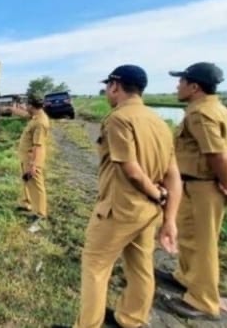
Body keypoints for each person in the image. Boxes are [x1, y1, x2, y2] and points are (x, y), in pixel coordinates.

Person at [55, 65, 182, 328]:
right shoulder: (159, 121)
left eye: (107, 87)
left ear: (116, 85)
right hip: (147, 214)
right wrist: (168, 217)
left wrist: (156, 194)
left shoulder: (118, 119)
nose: (106, 92)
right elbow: (173, 175)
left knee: (95, 266)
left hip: (119, 209)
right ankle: (131, 319)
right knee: (140, 266)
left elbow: (131, 169)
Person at [157, 62, 227, 320]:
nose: (177, 86)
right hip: (198, 184)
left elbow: (217, 154)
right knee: (189, 238)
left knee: (202, 244)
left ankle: (203, 302)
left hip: (202, 185)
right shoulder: (216, 108)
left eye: (181, 81)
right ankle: (187, 278)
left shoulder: (201, 113)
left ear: (194, 86)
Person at [13, 94, 51, 221]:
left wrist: (33, 165)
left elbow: (38, 146)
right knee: (27, 181)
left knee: (36, 185)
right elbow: (24, 114)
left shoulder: (40, 122)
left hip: (32, 159)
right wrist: (11, 109)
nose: (25, 106)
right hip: (26, 157)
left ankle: (40, 213)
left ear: (31, 105)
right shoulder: (35, 116)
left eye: (27, 104)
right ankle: (26, 203)